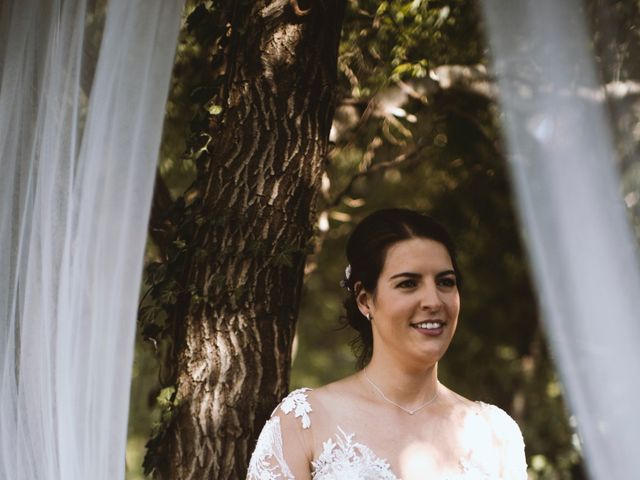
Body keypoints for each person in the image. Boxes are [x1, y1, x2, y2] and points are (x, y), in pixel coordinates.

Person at [247, 208, 527, 479]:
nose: (433, 301)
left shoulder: (495, 434)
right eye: (408, 283)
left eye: (445, 282)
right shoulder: (304, 422)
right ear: (365, 299)